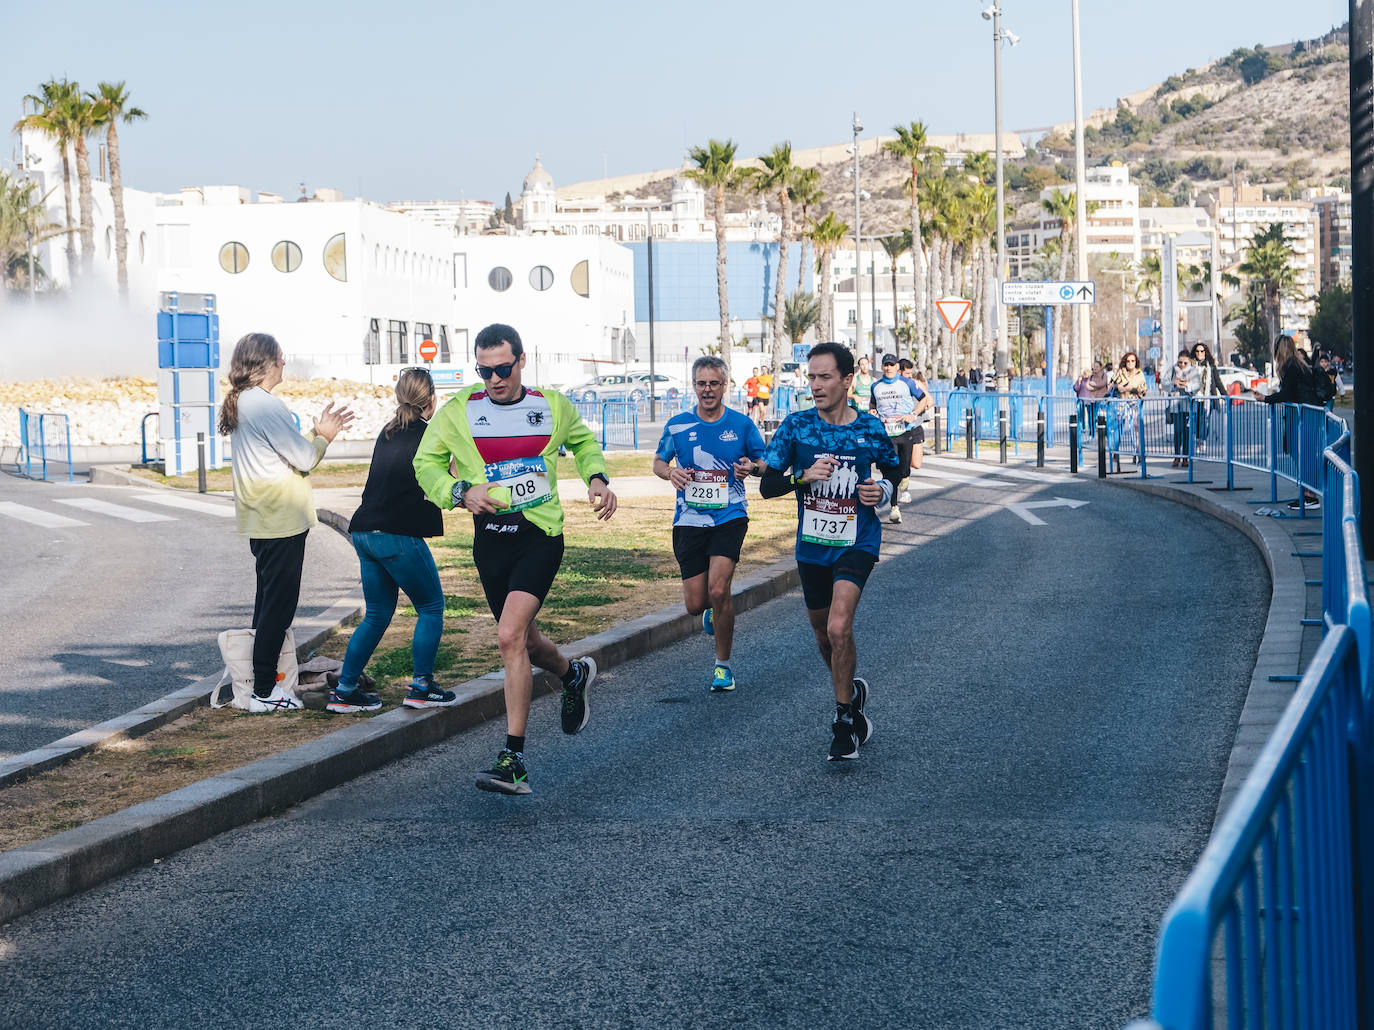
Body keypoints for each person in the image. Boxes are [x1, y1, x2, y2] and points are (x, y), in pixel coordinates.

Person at [413, 323, 618, 795]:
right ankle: (573, 675)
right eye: (484, 371)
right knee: (525, 642)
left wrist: (597, 478)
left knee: (507, 636)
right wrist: (459, 492)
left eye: (502, 369)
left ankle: (514, 759)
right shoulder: (461, 410)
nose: (493, 380)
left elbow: (584, 443)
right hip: (490, 540)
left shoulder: (552, 406)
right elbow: (425, 464)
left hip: (539, 535)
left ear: (521, 361)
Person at [759, 342, 899, 762]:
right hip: (813, 546)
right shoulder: (796, 427)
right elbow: (767, 487)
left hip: (857, 540)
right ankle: (852, 691)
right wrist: (801, 479)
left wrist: (884, 490)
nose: (815, 385)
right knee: (823, 636)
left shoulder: (870, 428)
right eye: (811, 377)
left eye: (824, 377)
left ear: (847, 380)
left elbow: (894, 465)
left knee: (839, 628)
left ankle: (842, 720)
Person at [219, 333, 355, 713]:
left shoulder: (244, 402)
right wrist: (324, 437)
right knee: (277, 610)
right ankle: (264, 691)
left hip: (261, 519)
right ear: (269, 362)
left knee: (267, 606)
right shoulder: (265, 405)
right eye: (281, 357)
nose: (285, 363)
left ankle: (255, 685)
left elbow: (286, 453)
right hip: (280, 519)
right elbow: (305, 459)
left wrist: (314, 436)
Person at [327, 368, 452, 715]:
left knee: (378, 614)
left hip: (365, 531)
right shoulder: (430, 435)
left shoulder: (389, 430)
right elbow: (448, 478)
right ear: (432, 400)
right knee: (430, 608)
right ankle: (421, 686)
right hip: (397, 534)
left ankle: (346, 690)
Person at [653, 356, 766, 693]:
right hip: (689, 519)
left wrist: (751, 467)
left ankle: (723, 667)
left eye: (713, 383)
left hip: (729, 515)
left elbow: (764, 461)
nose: (707, 390)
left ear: (724, 386)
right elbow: (659, 462)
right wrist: (670, 472)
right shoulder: (678, 425)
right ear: (694, 385)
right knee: (694, 603)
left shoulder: (742, 424)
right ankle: (711, 611)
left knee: (719, 589)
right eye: (701, 383)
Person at [1263, 334, 1321, 509]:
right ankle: (1308, 493)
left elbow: (1287, 394)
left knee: (1303, 454)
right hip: (1305, 415)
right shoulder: (1298, 365)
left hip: (1302, 416)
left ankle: (1309, 495)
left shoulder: (1291, 367)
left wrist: (1265, 398)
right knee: (1300, 452)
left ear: (1279, 350)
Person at [869, 353, 928, 525]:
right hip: (886, 434)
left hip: (905, 432)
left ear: (897, 367)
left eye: (891, 365)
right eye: (885, 365)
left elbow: (923, 400)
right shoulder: (876, 386)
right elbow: (873, 405)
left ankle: (903, 479)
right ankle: (894, 507)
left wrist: (913, 414)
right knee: (890, 471)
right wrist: (873, 412)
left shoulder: (907, 383)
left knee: (903, 470)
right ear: (882, 367)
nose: (888, 368)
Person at [1109, 351, 1147, 470]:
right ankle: (1115, 452)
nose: (1130, 363)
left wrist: (1133, 389)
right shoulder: (1119, 372)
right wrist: (1117, 387)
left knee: (1136, 428)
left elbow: (1144, 389)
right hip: (1121, 403)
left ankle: (1138, 453)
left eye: (1133, 361)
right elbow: (1109, 386)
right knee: (1118, 429)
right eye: (1128, 361)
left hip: (1134, 403)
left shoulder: (1140, 374)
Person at [1168, 349, 1200, 468]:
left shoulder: (1193, 372)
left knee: (1187, 432)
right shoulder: (1173, 370)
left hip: (1188, 405)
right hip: (1176, 405)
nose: (1182, 365)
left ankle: (1186, 457)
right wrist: (1174, 384)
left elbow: (1197, 386)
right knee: (1177, 432)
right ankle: (1177, 456)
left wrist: (1187, 385)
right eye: (1180, 362)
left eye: (1185, 363)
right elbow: (1166, 385)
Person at [1191, 343, 1225, 453]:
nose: (1199, 353)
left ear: (1205, 352)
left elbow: (1218, 382)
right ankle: (1197, 441)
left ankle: (1203, 442)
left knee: (1205, 421)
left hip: (1207, 399)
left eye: (1202, 351)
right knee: (1196, 421)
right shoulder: (1191, 367)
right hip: (1195, 399)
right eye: (1197, 351)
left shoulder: (1211, 367)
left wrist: (1225, 396)